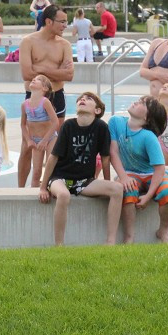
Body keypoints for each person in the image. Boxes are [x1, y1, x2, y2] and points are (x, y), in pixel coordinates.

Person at [39, 91, 124, 245]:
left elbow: (105, 159)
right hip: (60, 178)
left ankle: (110, 241)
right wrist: (43, 187)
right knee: (64, 195)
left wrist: (105, 184)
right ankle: (59, 245)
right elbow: (53, 157)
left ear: (97, 110)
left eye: (88, 99)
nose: (82, 99)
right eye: (80, 99)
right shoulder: (67, 126)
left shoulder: (101, 127)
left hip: (84, 181)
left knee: (117, 189)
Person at [17, 4, 74, 185]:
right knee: (28, 146)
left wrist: (39, 69)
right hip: (33, 97)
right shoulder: (28, 42)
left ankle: (47, 184)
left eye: (67, 21)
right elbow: (26, 74)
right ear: (49, 21)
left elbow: (69, 75)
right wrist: (56, 71)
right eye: (62, 21)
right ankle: (20, 189)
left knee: (54, 145)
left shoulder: (64, 45)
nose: (66, 25)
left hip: (57, 96)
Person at [109, 96, 168, 243]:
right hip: (130, 173)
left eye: (143, 103)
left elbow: (159, 168)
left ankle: (163, 231)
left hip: (153, 174)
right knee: (127, 189)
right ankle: (129, 237)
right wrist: (123, 177)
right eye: (140, 100)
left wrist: (148, 196)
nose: (137, 101)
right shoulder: (115, 122)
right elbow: (113, 152)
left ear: (148, 118)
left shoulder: (148, 136)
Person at [21, 75, 58, 189]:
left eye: (39, 80)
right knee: (36, 172)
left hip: (50, 138)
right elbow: (23, 125)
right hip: (36, 141)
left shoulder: (45, 102)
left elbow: (55, 122)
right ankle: (34, 196)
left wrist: (45, 140)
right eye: (34, 78)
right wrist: (28, 140)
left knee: (50, 167)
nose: (34, 79)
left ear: (45, 88)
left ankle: (50, 190)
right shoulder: (25, 104)